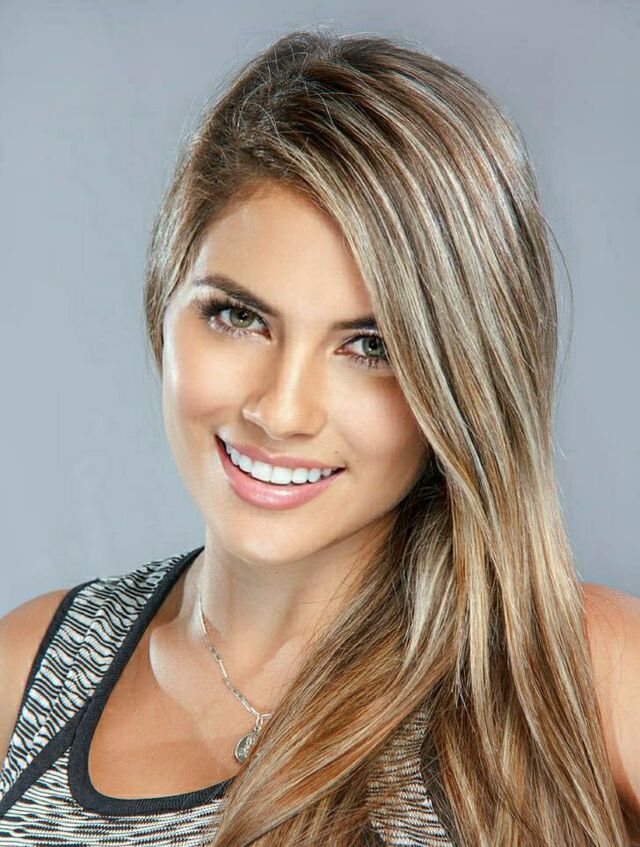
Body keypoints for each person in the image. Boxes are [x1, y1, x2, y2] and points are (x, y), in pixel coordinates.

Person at [0, 26, 638, 847]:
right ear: (164, 301)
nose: (282, 410)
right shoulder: (31, 674)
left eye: (370, 345)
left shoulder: (573, 671)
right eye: (238, 315)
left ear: (463, 377)